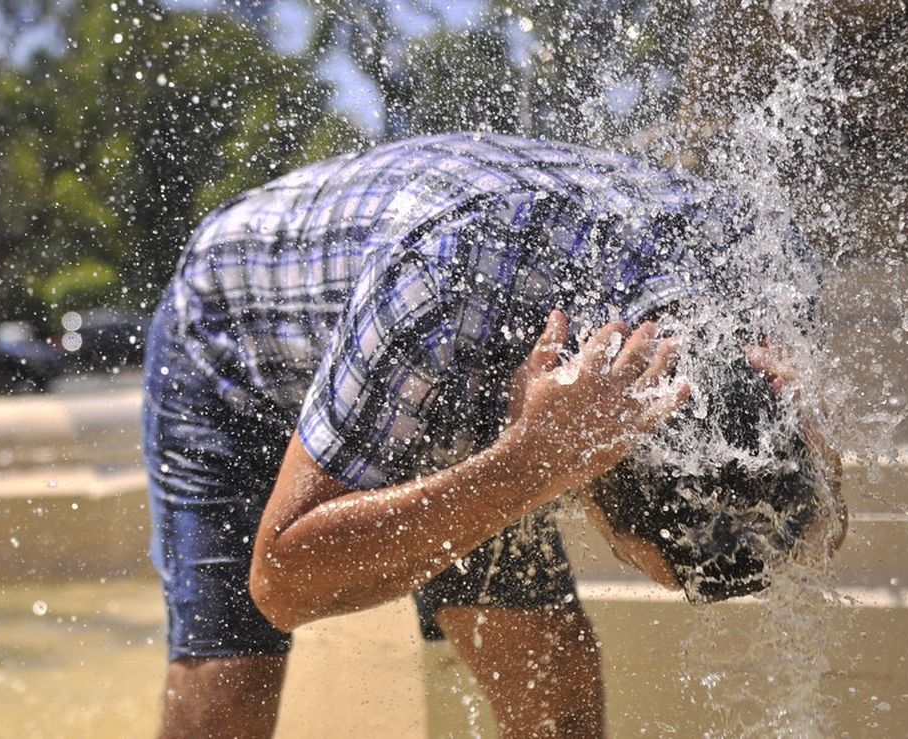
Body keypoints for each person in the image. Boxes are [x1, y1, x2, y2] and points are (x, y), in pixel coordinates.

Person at [143, 132, 843, 737]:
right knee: (236, 675)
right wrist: (526, 463)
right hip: (236, 345)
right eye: (624, 554)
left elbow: (798, 461)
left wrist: (811, 473)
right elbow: (281, 581)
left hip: (453, 360)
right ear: (594, 465)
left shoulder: (771, 271)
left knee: (554, 691)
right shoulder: (441, 281)